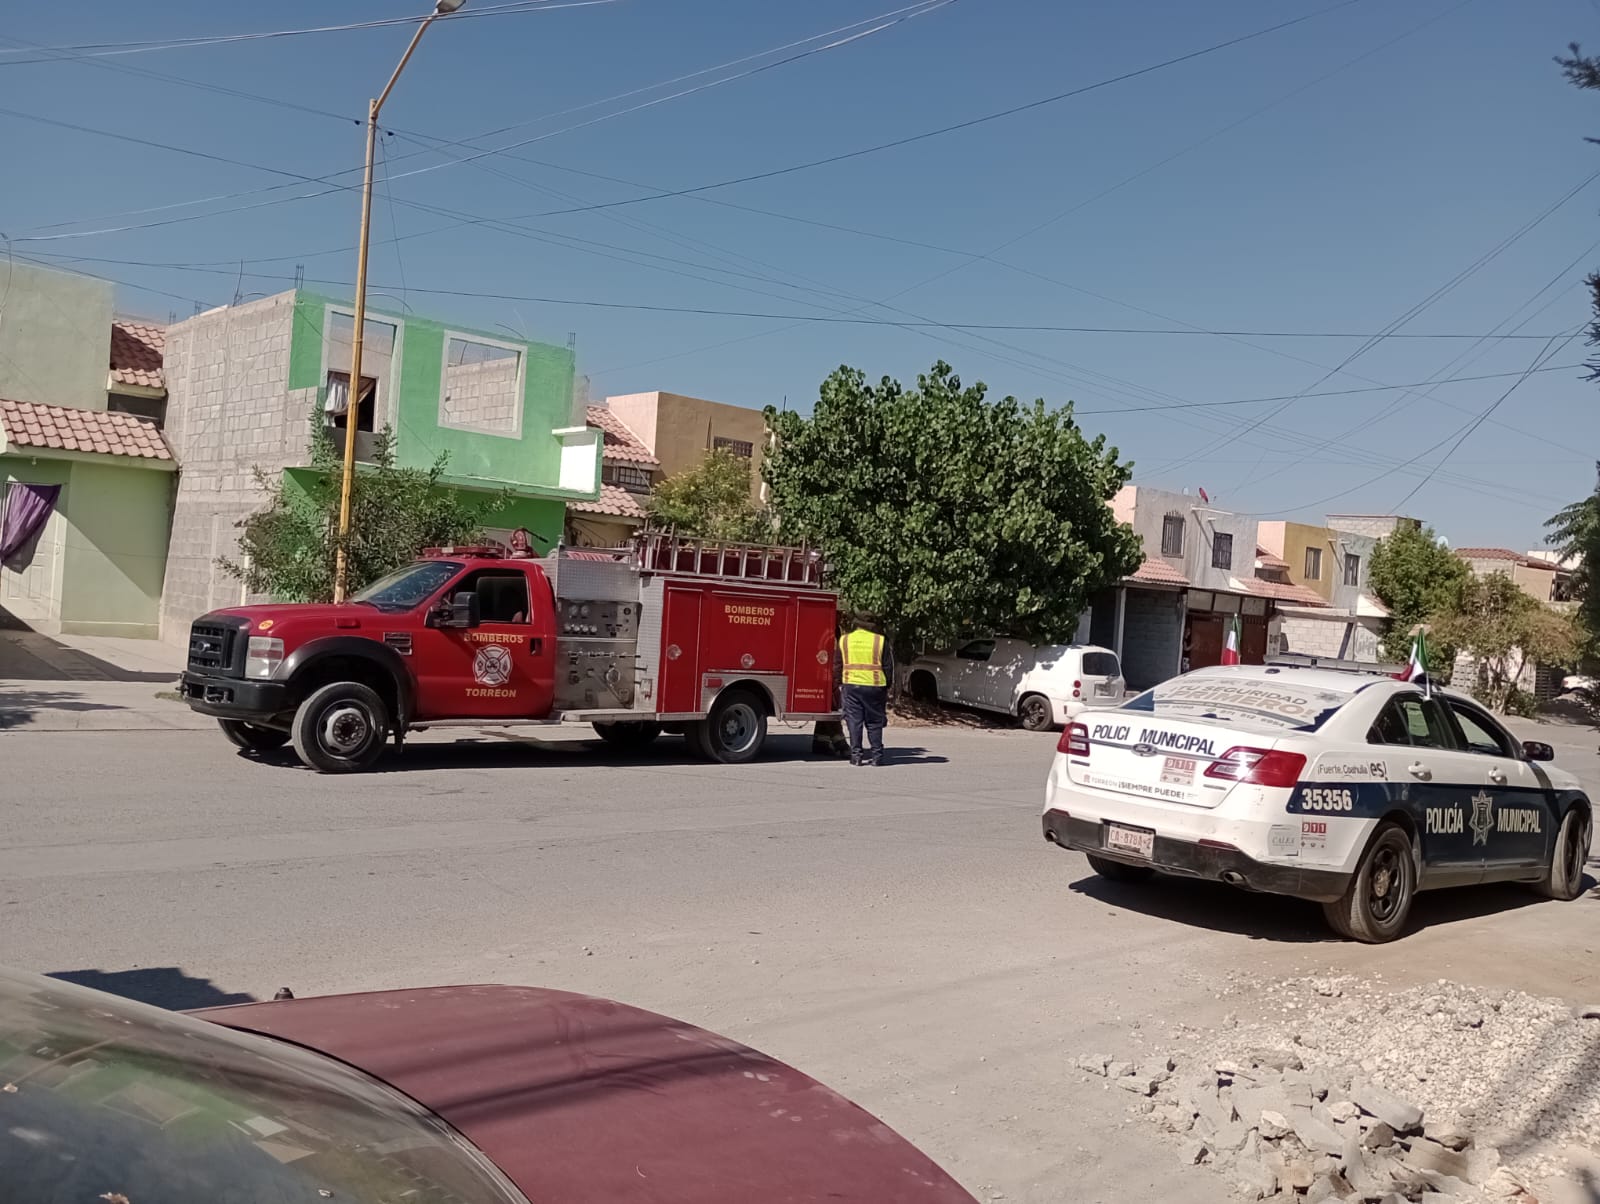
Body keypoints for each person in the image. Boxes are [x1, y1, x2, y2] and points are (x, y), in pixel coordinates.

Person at [838, 612, 893, 766]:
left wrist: (838, 683)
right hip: (875, 686)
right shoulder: (880, 641)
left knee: (854, 721)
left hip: (851, 685)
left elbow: (838, 663)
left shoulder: (845, 640)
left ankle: (856, 756)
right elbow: (888, 666)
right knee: (874, 722)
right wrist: (887, 686)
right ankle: (877, 757)